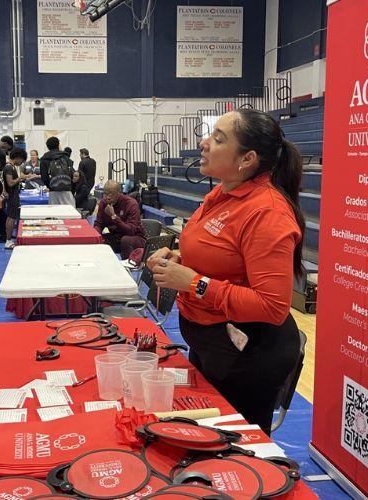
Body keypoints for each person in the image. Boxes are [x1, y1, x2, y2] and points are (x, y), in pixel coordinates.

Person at [147, 109, 305, 435]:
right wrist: (178, 258)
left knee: (233, 452)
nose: (204, 144)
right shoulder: (222, 192)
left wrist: (194, 283)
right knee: (202, 438)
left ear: (246, 159)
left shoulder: (267, 212)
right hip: (212, 344)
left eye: (218, 139)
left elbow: (273, 307)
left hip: (248, 356)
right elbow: (223, 256)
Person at [94, 180, 146, 259]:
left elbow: (131, 230)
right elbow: (98, 224)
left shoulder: (131, 204)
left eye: (111, 194)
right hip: (116, 236)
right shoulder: (103, 203)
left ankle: (127, 266)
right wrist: (97, 236)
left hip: (136, 237)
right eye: (105, 194)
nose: (107, 197)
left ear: (119, 193)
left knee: (125, 240)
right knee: (99, 240)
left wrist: (114, 216)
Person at [4, 148, 31, 249]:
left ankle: (8, 239)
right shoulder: (9, 168)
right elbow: (10, 183)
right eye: (22, 160)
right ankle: (8, 241)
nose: (22, 163)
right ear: (18, 157)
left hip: (13, 195)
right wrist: (20, 178)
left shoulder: (12, 167)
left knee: (10, 217)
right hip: (12, 195)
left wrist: (24, 176)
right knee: (11, 218)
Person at [40, 136, 76, 206]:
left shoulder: (44, 159)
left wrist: (50, 186)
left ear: (47, 147)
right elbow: (72, 173)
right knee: (69, 214)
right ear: (58, 145)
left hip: (53, 191)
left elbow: (44, 177)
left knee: (54, 214)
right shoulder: (65, 157)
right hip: (67, 191)